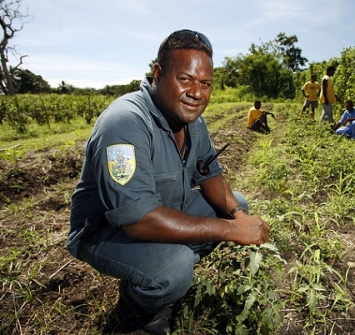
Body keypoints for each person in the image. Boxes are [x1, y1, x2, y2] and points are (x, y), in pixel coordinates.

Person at [67, 29, 270, 335]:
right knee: (175, 267)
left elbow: (210, 173)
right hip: (106, 229)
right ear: (158, 74)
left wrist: (238, 217)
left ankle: (164, 266)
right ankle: (143, 304)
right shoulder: (125, 122)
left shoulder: (193, 123)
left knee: (235, 204)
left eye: (205, 84)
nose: (197, 92)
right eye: (185, 79)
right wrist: (231, 230)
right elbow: (139, 221)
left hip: (164, 208)